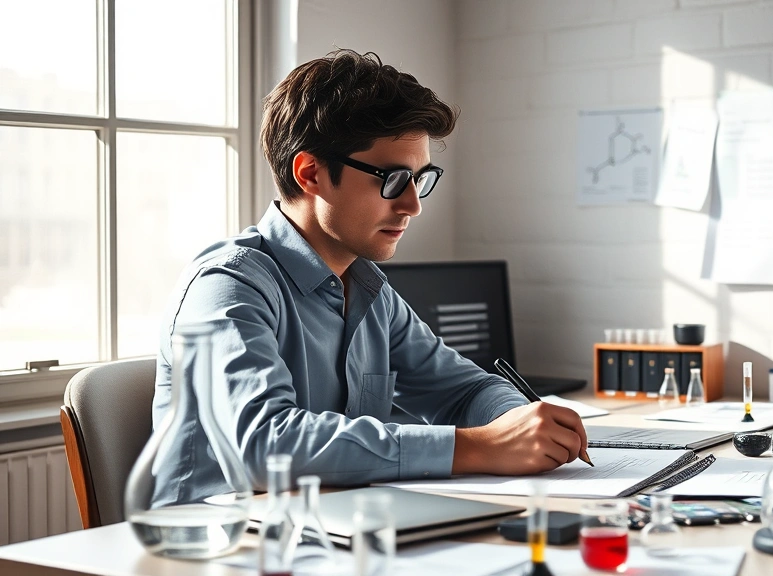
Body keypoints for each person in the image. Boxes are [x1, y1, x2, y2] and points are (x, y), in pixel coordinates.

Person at [152, 49, 589, 491]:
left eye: (420, 179)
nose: (413, 205)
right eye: (393, 180)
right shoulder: (228, 287)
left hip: (337, 532)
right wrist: (476, 446)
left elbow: (463, 391)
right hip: (215, 549)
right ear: (310, 174)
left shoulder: (370, 292)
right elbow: (265, 449)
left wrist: (521, 422)